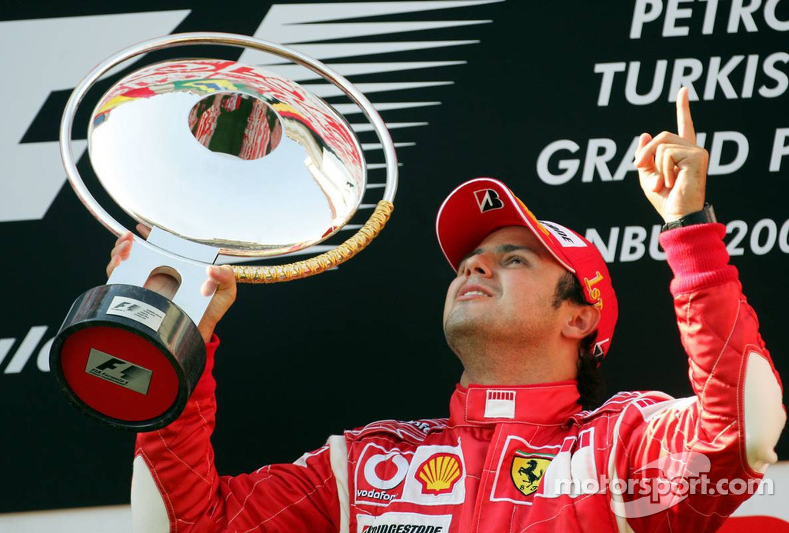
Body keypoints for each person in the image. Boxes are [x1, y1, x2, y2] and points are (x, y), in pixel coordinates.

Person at [110, 88, 785, 532]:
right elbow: (180, 524)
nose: (475, 264)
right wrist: (180, 338)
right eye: (471, 257)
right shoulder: (366, 465)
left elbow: (744, 429)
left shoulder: (623, 447)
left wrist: (691, 229)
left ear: (579, 318)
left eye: (515, 258)